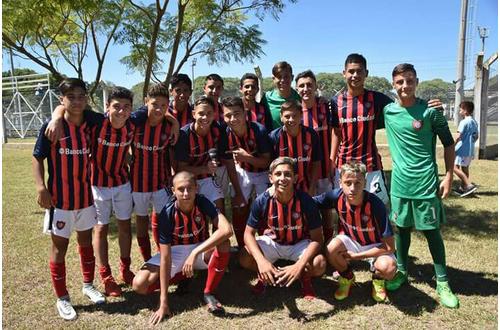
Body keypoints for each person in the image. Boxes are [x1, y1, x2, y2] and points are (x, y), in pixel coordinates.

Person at [383, 63, 459, 309]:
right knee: (401, 229)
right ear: (393, 85)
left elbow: (448, 143)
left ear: (417, 82)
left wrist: (449, 175)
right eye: (400, 82)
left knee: (431, 231)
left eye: (409, 81)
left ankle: (443, 282)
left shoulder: (431, 112)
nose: (405, 86)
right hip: (400, 184)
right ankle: (402, 272)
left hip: (426, 183)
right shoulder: (388, 111)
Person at [33, 78, 105, 321]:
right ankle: (62, 298)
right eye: (70, 97)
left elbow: (117, 116)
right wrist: (41, 187)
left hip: (85, 199)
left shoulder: (91, 122)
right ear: (61, 100)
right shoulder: (52, 127)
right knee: (59, 248)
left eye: (80, 96)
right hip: (60, 201)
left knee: (85, 243)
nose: (76, 101)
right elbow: (38, 157)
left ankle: (88, 285)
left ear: (86, 99)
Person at [330, 53, 442, 206]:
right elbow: (336, 132)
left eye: (359, 71)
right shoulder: (336, 102)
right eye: (351, 71)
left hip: (371, 166)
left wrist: (426, 106)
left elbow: (404, 108)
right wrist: (332, 160)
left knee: (379, 208)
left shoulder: (377, 99)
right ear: (344, 73)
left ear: (366, 73)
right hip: (344, 165)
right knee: (346, 207)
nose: (355, 75)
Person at [132, 171, 233, 325]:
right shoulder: (166, 213)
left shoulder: (202, 202)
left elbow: (227, 230)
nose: (186, 193)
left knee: (224, 244)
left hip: (200, 248)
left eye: (189, 188)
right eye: (180, 189)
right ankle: (185, 276)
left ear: (196, 188)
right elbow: (165, 257)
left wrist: (195, 252)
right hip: (175, 251)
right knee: (139, 285)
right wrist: (163, 302)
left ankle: (208, 292)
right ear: (173, 191)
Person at [239, 157, 326, 300]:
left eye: (288, 174)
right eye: (278, 174)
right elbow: (248, 234)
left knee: (320, 264)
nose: (282, 178)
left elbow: (317, 239)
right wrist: (261, 261)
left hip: (299, 243)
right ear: (270, 178)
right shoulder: (262, 200)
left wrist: (299, 265)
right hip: (273, 242)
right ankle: (266, 274)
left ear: (295, 178)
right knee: (244, 257)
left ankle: (303, 278)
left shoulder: (306, 201)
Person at [314, 162, 396, 302]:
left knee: (388, 267)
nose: (352, 188)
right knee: (330, 248)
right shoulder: (336, 196)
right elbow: (309, 203)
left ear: (365, 183)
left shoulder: (375, 205)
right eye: (348, 182)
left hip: (376, 245)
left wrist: (358, 256)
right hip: (352, 241)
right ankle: (347, 277)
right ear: (340, 183)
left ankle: (378, 280)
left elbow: (389, 247)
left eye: (358, 183)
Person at [174, 96, 246, 213]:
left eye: (209, 113)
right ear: (193, 114)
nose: (205, 117)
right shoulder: (184, 135)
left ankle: (219, 230)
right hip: (189, 180)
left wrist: (238, 192)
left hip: (208, 178)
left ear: (214, 114)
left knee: (219, 210)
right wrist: (205, 169)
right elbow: (181, 169)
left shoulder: (218, 131)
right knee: (194, 214)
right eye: (201, 113)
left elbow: (229, 161)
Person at [131, 83, 174, 263]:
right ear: (146, 101)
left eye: (163, 106)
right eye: (155, 104)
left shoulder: (169, 127)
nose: (158, 109)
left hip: (160, 183)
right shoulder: (136, 124)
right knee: (141, 221)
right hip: (138, 183)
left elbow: (171, 154)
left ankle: (161, 256)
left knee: (163, 220)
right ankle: (147, 259)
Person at [221, 96, 272, 248]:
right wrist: (237, 192)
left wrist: (246, 157)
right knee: (239, 206)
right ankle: (242, 246)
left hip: (263, 172)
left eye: (237, 114)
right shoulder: (225, 133)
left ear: (245, 113)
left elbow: (267, 162)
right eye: (228, 115)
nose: (233, 119)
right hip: (242, 171)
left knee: (265, 208)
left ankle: (267, 245)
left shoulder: (259, 130)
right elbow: (230, 164)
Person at [295, 70, 336, 243]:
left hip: (326, 168)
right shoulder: (294, 112)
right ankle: (309, 245)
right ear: (296, 89)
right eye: (302, 86)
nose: (306, 89)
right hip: (304, 173)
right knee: (305, 209)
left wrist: (333, 160)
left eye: (309, 85)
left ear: (316, 87)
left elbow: (336, 132)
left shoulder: (326, 108)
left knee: (327, 210)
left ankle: (327, 245)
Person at [268, 100, 322, 197]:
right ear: (281, 117)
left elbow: (316, 163)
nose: (291, 119)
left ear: (301, 116)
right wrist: (273, 186)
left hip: (306, 186)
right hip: (282, 187)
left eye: (295, 116)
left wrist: (312, 188)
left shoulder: (311, 135)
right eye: (287, 116)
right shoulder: (274, 137)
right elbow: (271, 166)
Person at [261, 61, 301, 129]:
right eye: (279, 77)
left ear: (292, 77)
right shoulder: (266, 98)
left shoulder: (299, 97)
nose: (283, 80)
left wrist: (321, 100)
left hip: (297, 138)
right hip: (274, 139)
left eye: (286, 76)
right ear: (273, 79)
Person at [453, 101, 478, 197]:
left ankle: (468, 185)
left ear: (466, 111)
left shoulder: (464, 122)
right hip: (469, 150)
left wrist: (452, 146)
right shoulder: (474, 122)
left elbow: (458, 136)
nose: (459, 111)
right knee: (465, 168)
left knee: (453, 167)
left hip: (461, 149)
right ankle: (463, 189)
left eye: (461, 109)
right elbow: (476, 136)